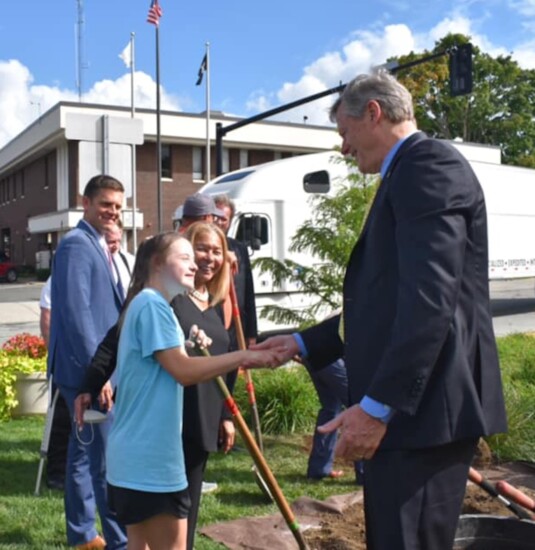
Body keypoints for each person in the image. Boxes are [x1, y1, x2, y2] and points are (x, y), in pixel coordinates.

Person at [253, 71, 507, 550]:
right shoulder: (406, 172)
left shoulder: (426, 165)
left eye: (344, 133)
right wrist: (304, 342)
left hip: (425, 417)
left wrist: (375, 408)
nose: (344, 149)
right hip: (415, 419)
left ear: (373, 113)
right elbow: (382, 302)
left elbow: (430, 300)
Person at [77, 231, 282, 550]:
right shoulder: (154, 307)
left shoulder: (147, 304)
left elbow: (161, 364)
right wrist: (244, 356)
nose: (194, 265)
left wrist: (188, 345)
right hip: (151, 461)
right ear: (157, 263)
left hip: (133, 458)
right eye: (184, 258)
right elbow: (182, 371)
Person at [48, 174, 127, 550]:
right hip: (85, 373)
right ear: (86, 203)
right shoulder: (77, 245)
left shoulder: (99, 245)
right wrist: (98, 378)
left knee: (84, 454)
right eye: (105, 204)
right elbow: (78, 314)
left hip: (93, 371)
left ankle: (83, 534)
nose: (112, 212)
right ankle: (115, 539)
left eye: (117, 205)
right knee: (99, 458)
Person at [303, 358, 364, 484]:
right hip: (329, 357)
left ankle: (319, 468)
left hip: (315, 355)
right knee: (360, 409)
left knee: (330, 408)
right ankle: (364, 474)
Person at [39, 276, 71, 491]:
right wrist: (58, 356)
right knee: (61, 417)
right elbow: (47, 315)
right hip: (67, 358)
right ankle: (57, 473)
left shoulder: (125, 265)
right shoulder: (60, 276)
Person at [104, 221, 135, 295]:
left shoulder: (129, 260)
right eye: (111, 242)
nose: (116, 246)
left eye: (119, 241)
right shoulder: (95, 261)